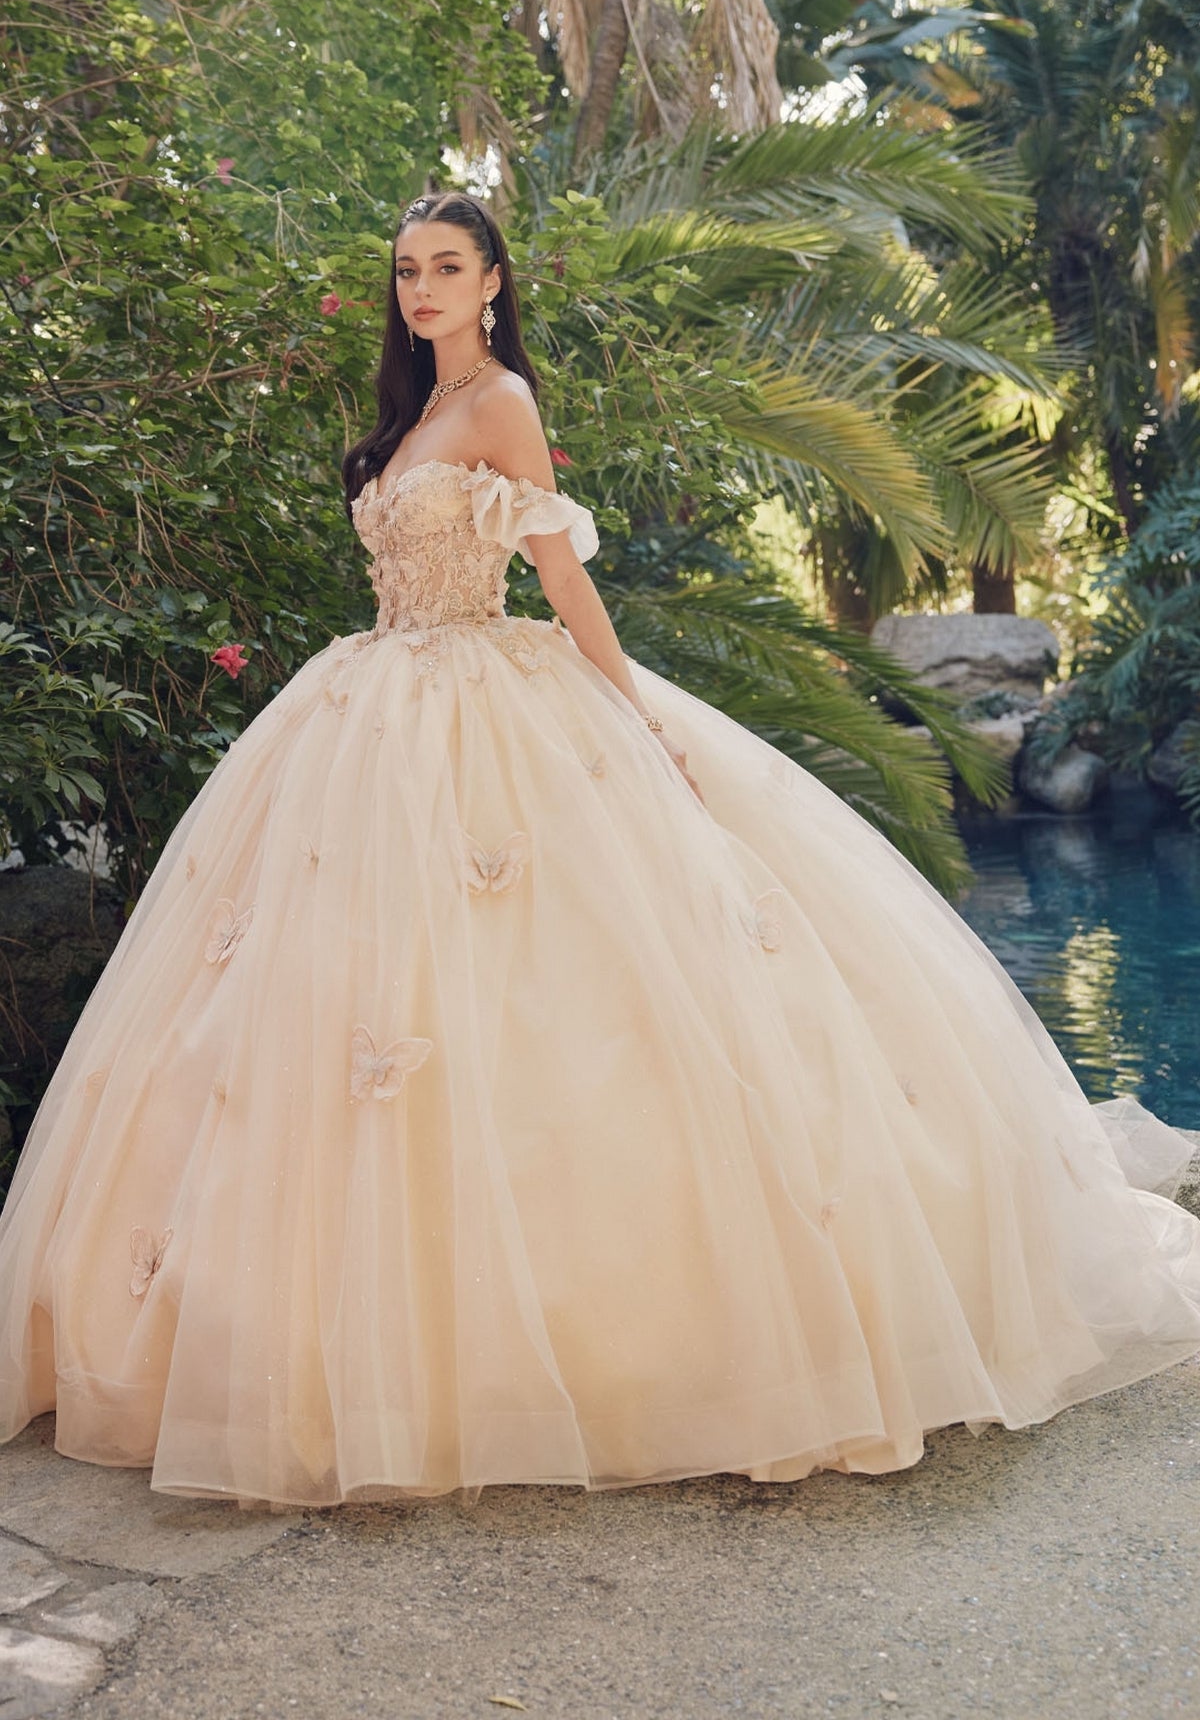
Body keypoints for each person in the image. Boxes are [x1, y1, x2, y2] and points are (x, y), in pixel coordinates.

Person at [1, 189, 1197, 1511]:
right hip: (371, 708)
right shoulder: (409, 417)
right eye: (405, 270)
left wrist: (635, 720)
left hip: (482, 701)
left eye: (445, 266)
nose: (420, 288)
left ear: (493, 282)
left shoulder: (502, 401)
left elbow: (561, 574)